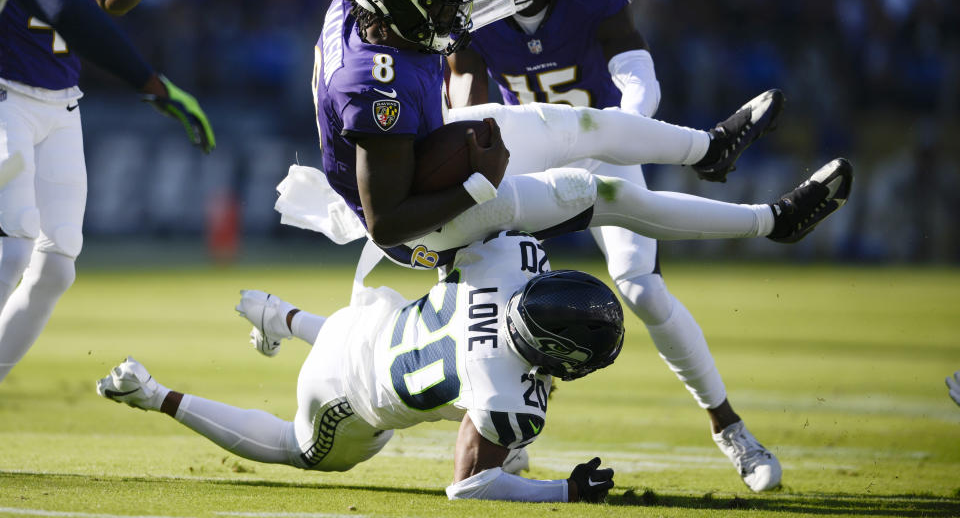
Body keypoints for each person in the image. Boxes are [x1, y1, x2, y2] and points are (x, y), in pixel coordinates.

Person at [446, 0, 779, 491]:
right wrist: (467, 166)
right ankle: (497, 429)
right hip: (526, 155)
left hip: (605, 145)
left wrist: (626, 130)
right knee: (491, 280)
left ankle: (728, 426)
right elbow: (463, 103)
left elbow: (636, 73)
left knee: (640, 287)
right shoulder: (475, 9)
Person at [297, 0, 852, 275]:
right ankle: (772, 222)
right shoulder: (372, 88)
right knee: (600, 192)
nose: (456, 14)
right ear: (404, 4)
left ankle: (711, 148)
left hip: (428, 146)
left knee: (582, 122)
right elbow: (386, 222)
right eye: (440, 4)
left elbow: (458, 4)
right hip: (422, 219)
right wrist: (478, 183)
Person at [98, 231, 623, 503]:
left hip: (368, 316)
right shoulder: (505, 398)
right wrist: (568, 491)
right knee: (296, 450)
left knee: (487, 418)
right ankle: (153, 393)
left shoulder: (513, 258)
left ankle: (278, 315)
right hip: (342, 394)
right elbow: (468, 487)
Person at [0, 0, 215, 383]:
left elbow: (103, 1)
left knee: (56, 266)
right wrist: (150, 81)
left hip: (61, 100)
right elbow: (61, 6)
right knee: (12, 246)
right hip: (3, 88)